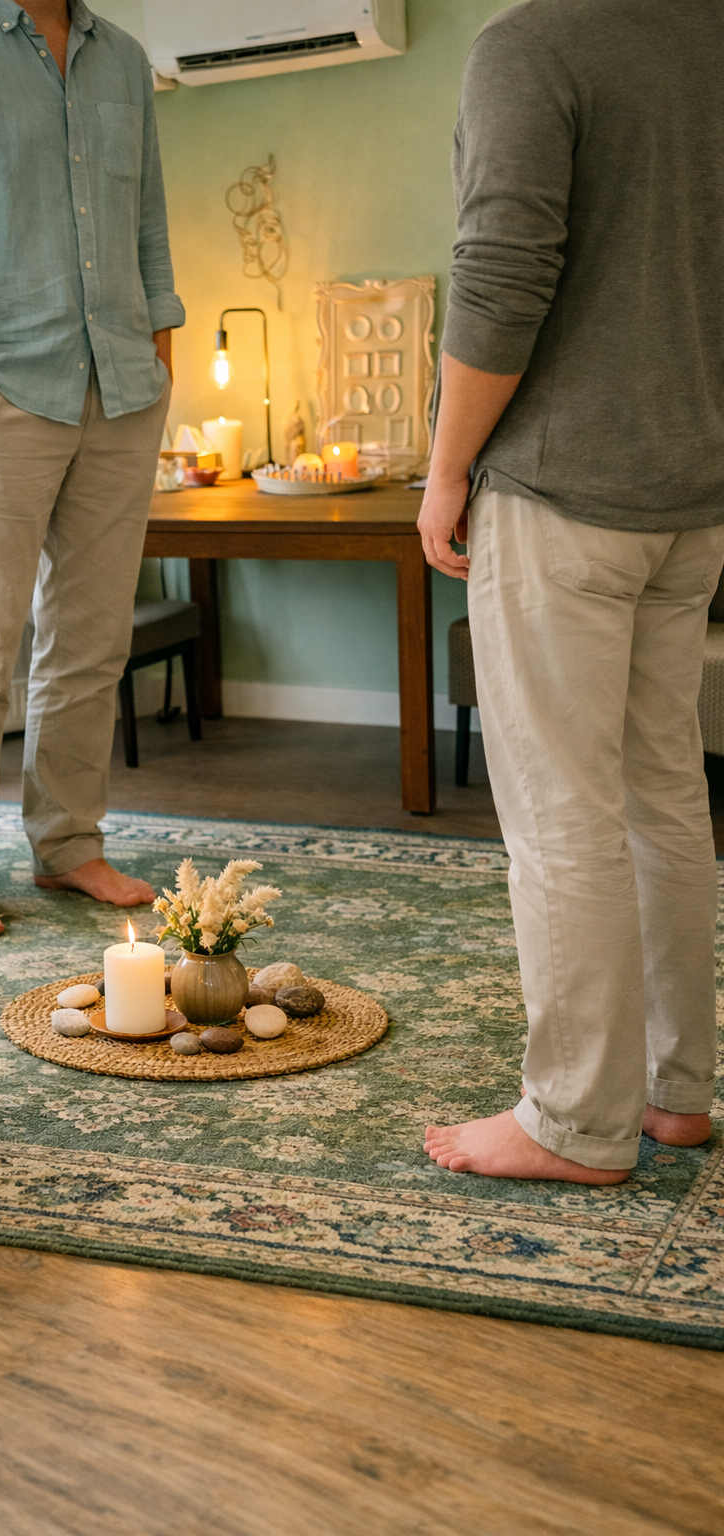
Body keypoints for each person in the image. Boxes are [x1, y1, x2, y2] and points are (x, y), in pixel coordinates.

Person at [418, 0, 724, 1184]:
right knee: (661, 792)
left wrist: (444, 471)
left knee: (561, 817)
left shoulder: (531, 44)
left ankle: (575, 1124)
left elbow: (498, 276)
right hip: (689, 494)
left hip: (561, 490)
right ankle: (673, 1091)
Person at [0, 0, 185, 940]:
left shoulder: (124, 59)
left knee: (93, 640)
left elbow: (148, 230)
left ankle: (68, 845)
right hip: (2, 395)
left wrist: (159, 359)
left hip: (123, 389)